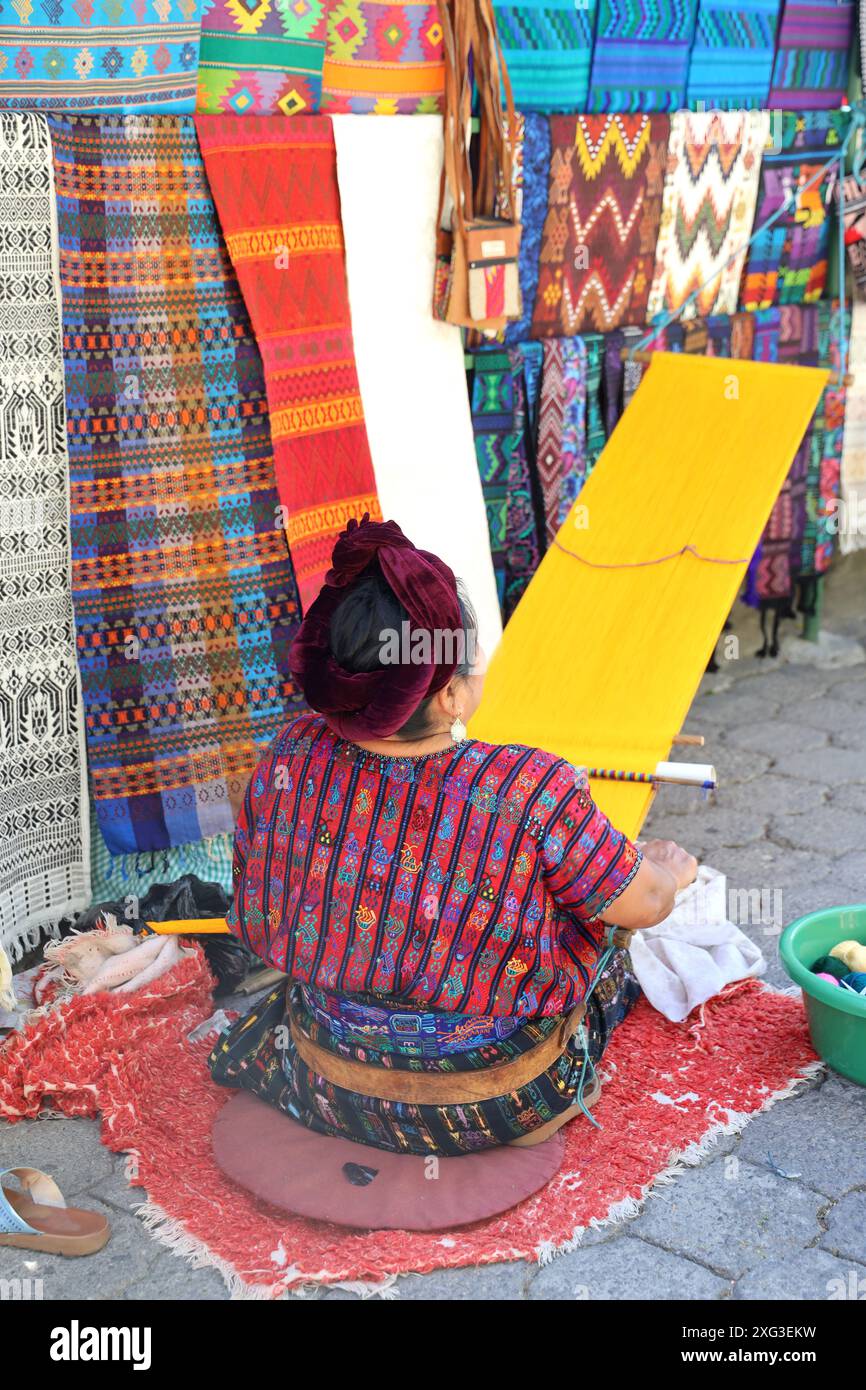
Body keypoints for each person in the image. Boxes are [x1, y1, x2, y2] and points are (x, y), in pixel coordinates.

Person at [211, 517, 697, 1156]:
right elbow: (643, 903)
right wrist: (665, 870)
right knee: (612, 944)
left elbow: (256, 894)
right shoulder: (530, 784)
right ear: (447, 698)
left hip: (330, 1082)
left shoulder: (289, 755)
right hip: (496, 1100)